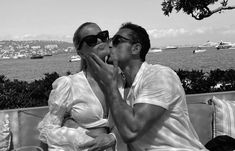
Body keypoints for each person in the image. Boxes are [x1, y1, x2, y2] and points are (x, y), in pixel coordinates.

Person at [83, 22, 209, 151]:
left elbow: (132, 131)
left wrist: (109, 85)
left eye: (117, 41)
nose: (109, 44)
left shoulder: (160, 75)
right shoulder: (125, 88)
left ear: (136, 49)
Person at [37, 22, 117, 151]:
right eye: (91, 40)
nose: (99, 40)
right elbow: (49, 129)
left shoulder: (123, 79)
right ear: (79, 52)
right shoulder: (69, 85)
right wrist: (81, 134)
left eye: (102, 35)